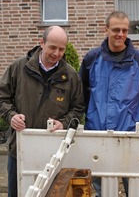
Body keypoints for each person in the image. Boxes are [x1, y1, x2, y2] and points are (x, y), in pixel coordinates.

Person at [0, 26, 85, 197]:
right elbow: (2, 98)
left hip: (53, 152)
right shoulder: (18, 68)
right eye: (53, 47)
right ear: (41, 43)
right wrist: (11, 116)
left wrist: (64, 123)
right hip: (20, 150)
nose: (57, 53)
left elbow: (78, 108)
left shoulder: (71, 76)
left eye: (61, 49)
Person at [79, 11, 139, 197]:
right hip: (98, 133)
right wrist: (93, 116)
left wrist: (137, 118)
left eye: (124, 30)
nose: (120, 34)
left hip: (131, 134)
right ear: (106, 30)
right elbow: (82, 94)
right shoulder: (91, 59)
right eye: (115, 30)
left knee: (135, 186)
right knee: (101, 187)